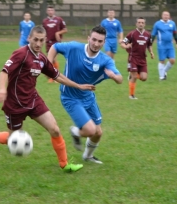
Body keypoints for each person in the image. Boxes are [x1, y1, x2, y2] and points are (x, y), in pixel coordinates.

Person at [0, 25, 96, 173]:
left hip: (33, 100)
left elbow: (58, 76)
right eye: (35, 40)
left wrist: (78, 86)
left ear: (44, 40)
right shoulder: (21, 54)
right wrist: (2, 89)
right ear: (29, 38)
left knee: (54, 128)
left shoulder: (42, 58)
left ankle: (65, 164)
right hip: (14, 104)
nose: (38, 44)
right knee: (13, 140)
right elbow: (4, 71)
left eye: (41, 40)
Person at [47, 25, 123, 164]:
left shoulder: (105, 60)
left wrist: (113, 76)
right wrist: (48, 65)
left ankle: (87, 156)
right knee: (90, 130)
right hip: (70, 97)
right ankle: (76, 132)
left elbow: (120, 79)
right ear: (88, 38)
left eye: (100, 41)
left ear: (104, 42)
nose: (96, 44)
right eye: (94, 39)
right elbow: (55, 47)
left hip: (88, 97)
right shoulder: (74, 47)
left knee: (98, 133)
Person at [120, 17, 154, 99]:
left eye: (142, 22)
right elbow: (122, 43)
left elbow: (149, 45)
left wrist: (151, 52)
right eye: (139, 22)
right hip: (133, 58)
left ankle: (132, 75)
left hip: (143, 59)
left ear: (144, 24)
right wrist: (126, 46)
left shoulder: (148, 35)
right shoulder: (132, 34)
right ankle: (131, 95)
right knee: (135, 76)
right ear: (136, 24)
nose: (141, 24)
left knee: (144, 78)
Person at [151, 11, 177, 80]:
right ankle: (161, 77)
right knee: (162, 61)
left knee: (172, 60)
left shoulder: (172, 23)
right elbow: (153, 35)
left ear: (169, 16)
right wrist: (150, 44)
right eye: (164, 15)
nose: (166, 16)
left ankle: (164, 71)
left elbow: (175, 33)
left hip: (170, 45)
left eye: (167, 15)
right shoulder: (157, 24)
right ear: (162, 16)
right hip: (161, 45)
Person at [42, 6, 67, 82]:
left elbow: (65, 29)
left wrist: (58, 33)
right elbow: (43, 32)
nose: (50, 12)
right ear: (47, 12)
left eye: (51, 10)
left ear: (54, 11)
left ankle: (54, 77)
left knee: (53, 59)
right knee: (49, 60)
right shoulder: (45, 21)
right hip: (48, 43)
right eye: (49, 10)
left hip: (56, 42)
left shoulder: (59, 19)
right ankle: (53, 76)